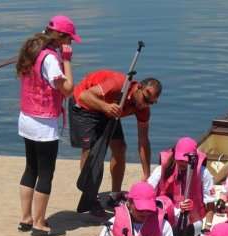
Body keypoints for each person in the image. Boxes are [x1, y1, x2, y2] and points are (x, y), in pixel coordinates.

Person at [17, 15, 80, 236]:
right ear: (60, 37)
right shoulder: (51, 59)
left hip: (27, 116)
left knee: (31, 168)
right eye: (69, 39)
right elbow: (68, 89)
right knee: (45, 172)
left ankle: (26, 218)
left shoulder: (32, 49)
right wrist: (67, 60)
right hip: (43, 122)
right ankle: (39, 223)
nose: (70, 43)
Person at [69, 71, 162, 214]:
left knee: (120, 147)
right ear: (139, 87)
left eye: (151, 103)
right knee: (91, 151)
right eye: (145, 99)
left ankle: (115, 195)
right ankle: (91, 195)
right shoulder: (118, 85)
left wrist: (146, 173)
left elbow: (143, 140)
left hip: (109, 110)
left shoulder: (143, 109)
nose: (145, 105)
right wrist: (106, 107)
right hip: (85, 106)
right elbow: (84, 96)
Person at [148, 136, 216, 236]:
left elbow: (210, 203)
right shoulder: (162, 169)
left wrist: (207, 228)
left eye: (185, 160)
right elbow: (147, 191)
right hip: (167, 216)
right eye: (179, 159)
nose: (182, 163)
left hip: (192, 220)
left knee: (179, 234)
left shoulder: (203, 173)